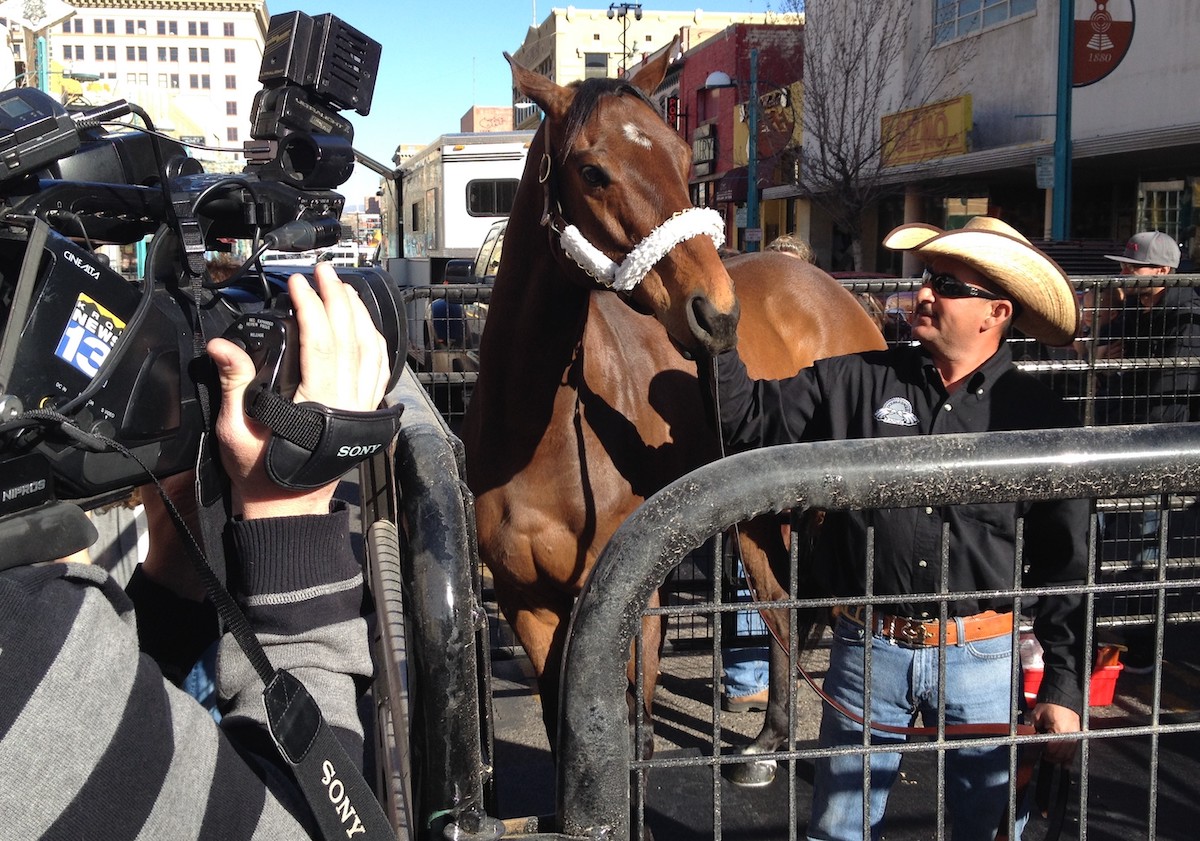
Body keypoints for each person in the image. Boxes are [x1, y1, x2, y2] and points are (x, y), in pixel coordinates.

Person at [704, 216, 1088, 840]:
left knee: (987, 827)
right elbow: (747, 422)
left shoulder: (1039, 416)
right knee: (839, 827)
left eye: (946, 284)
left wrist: (1065, 686)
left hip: (982, 656)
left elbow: (1065, 564)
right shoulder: (854, 379)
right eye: (926, 279)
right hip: (869, 648)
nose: (924, 293)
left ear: (996, 312)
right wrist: (719, 334)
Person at [1, 263, 392, 838]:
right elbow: (307, 826)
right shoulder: (26, 645)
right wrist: (292, 511)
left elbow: (139, 764)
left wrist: (177, 548)